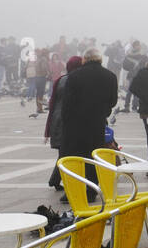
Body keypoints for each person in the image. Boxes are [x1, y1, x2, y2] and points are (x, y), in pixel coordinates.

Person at [59, 48, 118, 203]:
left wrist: (65, 122)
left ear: (85, 59)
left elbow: (67, 103)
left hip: (75, 124)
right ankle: (92, 190)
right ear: (100, 59)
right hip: (96, 122)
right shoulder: (110, 76)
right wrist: (103, 111)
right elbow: (113, 101)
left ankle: (73, 191)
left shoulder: (74, 76)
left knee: (75, 157)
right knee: (93, 156)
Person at [45, 55, 83, 189]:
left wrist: (48, 127)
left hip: (56, 118)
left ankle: (55, 180)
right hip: (67, 119)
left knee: (63, 152)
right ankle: (55, 180)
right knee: (66, 153)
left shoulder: (60, 80)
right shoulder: (76, 81)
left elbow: (52, 103)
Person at [121, 40, 148, 113]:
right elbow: (147, 64)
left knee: (130, 90)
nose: (138, 46)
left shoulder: (129, 54)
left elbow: (124, 66)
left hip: (132, 74)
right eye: (138, 45)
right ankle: (134, 106)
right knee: (136, 91)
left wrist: (131, 68)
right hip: (138, 74)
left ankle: (127, 106)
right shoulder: (143, 55)